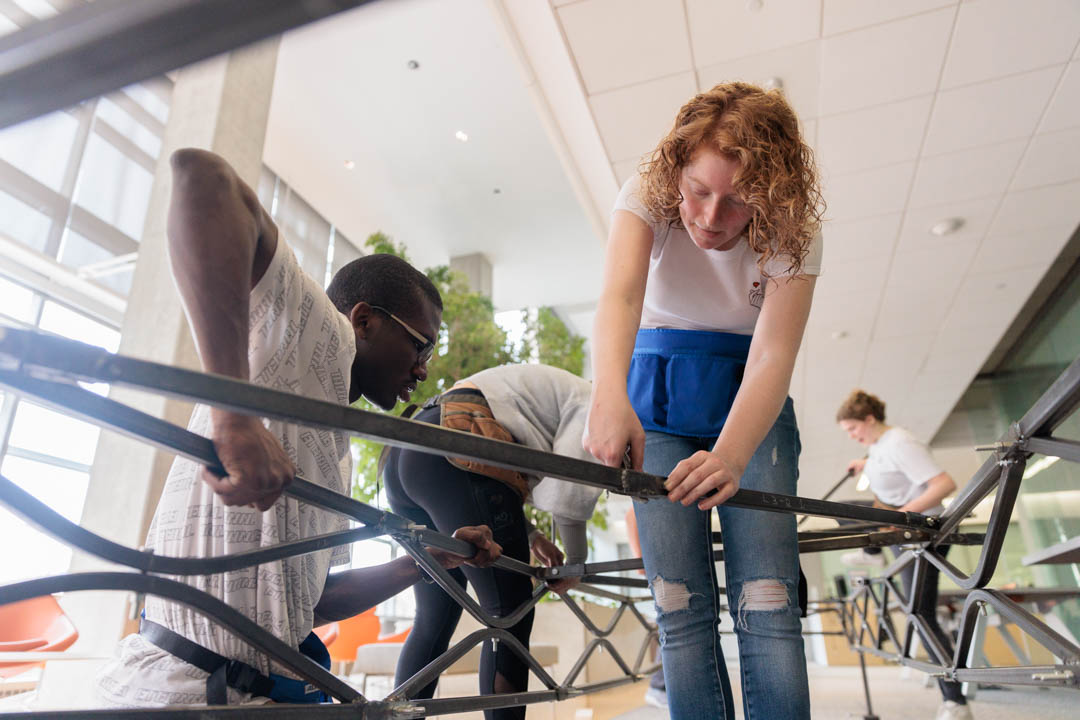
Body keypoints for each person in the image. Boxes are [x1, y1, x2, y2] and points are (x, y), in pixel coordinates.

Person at [95, 148, 500, 708]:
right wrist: (232, 413)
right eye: (420, 342)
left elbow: (313, 603)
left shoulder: (336, 450)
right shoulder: (316, 334)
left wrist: (426, 560)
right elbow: (202, 178)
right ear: (364, 320)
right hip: (182, 691)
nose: (424, 367)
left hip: (266, 694)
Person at [584, 81, 824, 719]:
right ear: (678, 173)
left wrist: (733, 452)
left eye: (738, 201)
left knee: (768, 602)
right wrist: (608, 393)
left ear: (768, 197)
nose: (711, 219)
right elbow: (621, 298)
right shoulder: (645, 195)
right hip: (654, 403)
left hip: (749, 403)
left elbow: (774, 355)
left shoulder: (794, 227)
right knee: (679, 604)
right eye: (699, 191)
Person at [381, 363, 605, 720]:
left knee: (435, 617)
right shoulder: (598, 402)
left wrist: (531, 535)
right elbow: (569, 486)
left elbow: (496, 484)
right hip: (455, 450)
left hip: (409, 454)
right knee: (509, 615)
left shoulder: (555, 392)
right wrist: (575, 559)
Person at [837, 390, 972, 720]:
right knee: (841, 510)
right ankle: (872, 551)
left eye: (853, 429)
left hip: (924, 534)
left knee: (921, 613)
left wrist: (901, 516)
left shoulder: (901, 442)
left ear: (870, 420)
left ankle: (956, 702)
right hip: (903, 530)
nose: (853, 437)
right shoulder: (880, 445)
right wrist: (865, 463)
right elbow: (886, 465)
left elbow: (943, 484)